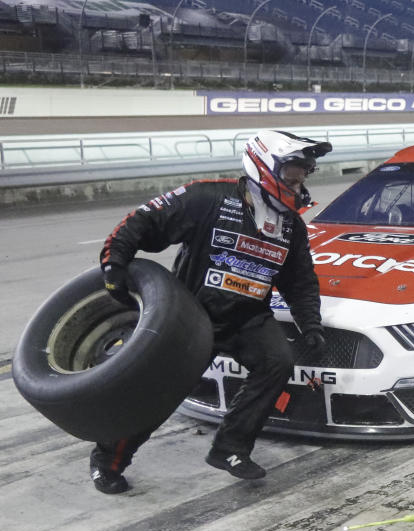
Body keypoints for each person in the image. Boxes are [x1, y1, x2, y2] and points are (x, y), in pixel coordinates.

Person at [90, 130, 331, 493]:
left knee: (277, 361)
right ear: (265, 165)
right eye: (293, 171)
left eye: (305, 173)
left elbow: (300, 281)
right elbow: (143, 222)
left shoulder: (291, 225)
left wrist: (310, 323)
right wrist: (114, 264)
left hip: (249, 318)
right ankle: (107, 460)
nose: (300, 181)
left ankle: (230, 448)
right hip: (192, 316)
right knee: (158, 394)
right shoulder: (207, 196)